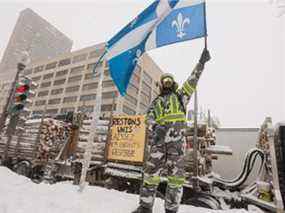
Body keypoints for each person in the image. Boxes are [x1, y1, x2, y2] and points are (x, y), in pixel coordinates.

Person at [132, 48, 211, 213]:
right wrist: (155, 127)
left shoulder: (181, 97)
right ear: (162, 84)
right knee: (150, 177)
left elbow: (192, 80)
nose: (167, 82)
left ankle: (171, 210)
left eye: (169, 80)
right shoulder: (157, 101)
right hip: (158, 146)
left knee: (175, 180)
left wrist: (201, 63)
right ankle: (145, 207)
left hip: (177, 148)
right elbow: (149, 117)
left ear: (173, 83)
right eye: (164, 80)